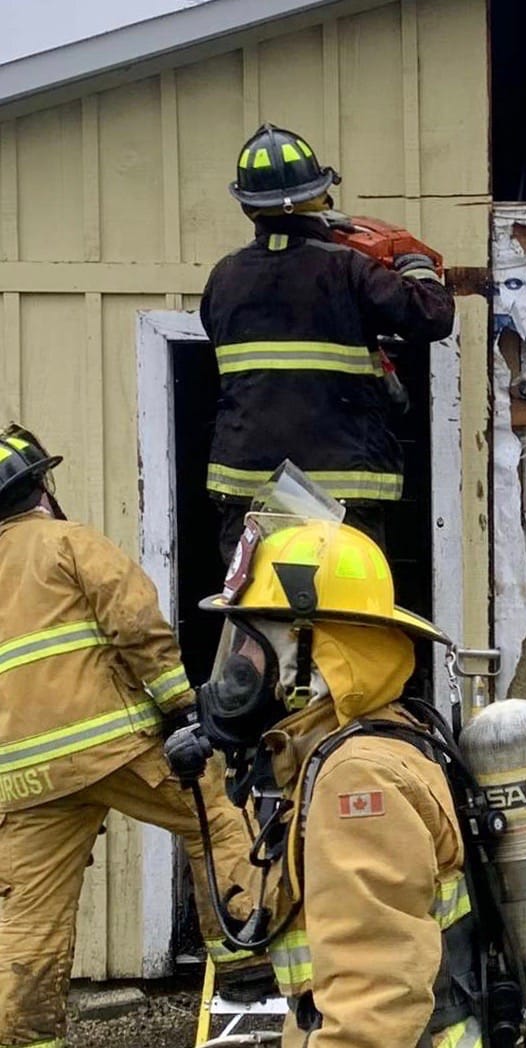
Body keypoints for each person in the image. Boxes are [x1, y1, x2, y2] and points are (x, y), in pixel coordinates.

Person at [0, 423, 270, 1048]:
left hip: (26, 779)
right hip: (114, 746)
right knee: (215, 810)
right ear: (42, 486)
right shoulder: (68, 542)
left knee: (30, 914)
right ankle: (243, 955)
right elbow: (135, 622)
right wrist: (182, 709)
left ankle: (23, 1038)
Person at [176, 509, 484, 1048]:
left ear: (307, 654)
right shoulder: (348, 748)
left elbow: (373, 1006)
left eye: (250, 642)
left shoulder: (356, 779)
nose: (238, 663)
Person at [201, 123, 456, 565]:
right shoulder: (349, 269)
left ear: (248, 207)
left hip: (249, 493)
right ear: (320, 197)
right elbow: (433, 315)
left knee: (259, 600)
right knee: (345, 600)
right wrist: (415, 265)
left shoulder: (223, 277)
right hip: (343, 493)